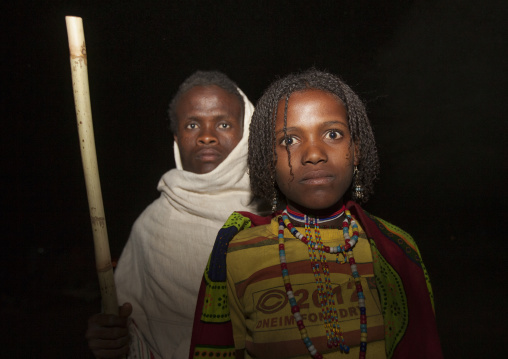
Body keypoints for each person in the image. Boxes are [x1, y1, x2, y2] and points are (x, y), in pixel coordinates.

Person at [189, 69, 443, 358]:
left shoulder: (396, 250)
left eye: (333, 134)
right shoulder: (236, 253)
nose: (313, 154)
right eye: (289, 140)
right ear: (268, 159)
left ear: (356, 150)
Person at [86, 71, 267, 358]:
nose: (207, 136)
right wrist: (114, 340)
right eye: (193, 124)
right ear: (177, 137)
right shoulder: (151, 226)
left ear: (246, 133)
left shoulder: (275, 216)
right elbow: (133, 332)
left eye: (223, 123)